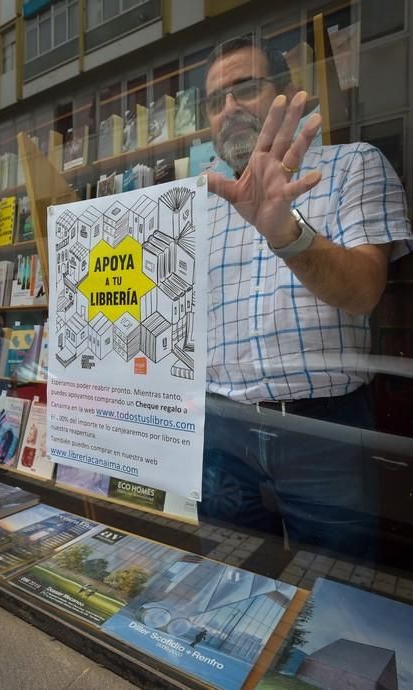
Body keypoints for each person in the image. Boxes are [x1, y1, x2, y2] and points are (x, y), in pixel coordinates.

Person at [200, 36, 413, 556]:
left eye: (245, 88)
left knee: (336, 599)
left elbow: (364, 291)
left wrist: (286, 234)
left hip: (324, 429)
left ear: (286, 93)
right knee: (230, 583)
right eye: (215, 101)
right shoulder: (198, 201)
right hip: (218, 429)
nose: (229, 109)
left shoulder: (352, 165)